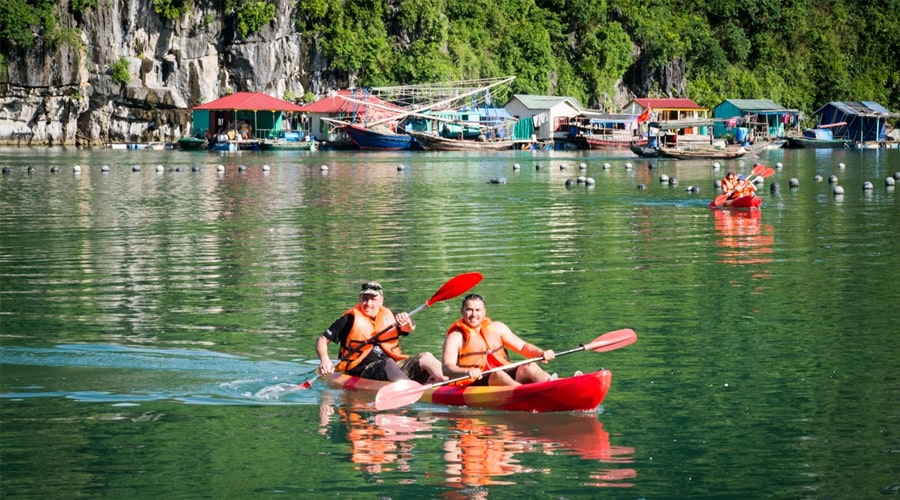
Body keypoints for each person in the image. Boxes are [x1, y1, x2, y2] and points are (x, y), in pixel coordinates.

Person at [315, 281, 447, 383]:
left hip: (394, 368)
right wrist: (325, 360)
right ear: (360, 299)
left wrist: (407, 322)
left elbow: (409, 328)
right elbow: (322, 340)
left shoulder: (390, 316)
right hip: (360, 370)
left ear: (381, 300)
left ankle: (445, 380)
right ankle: (407, 388)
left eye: (373, 299)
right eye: (365, 298)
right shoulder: (349, 320)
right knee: (387, 363)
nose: (368, 303)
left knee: (426, 356)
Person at [442, 293, 557, 386]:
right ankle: (525, 394)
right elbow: (447, 368)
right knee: (498, 375)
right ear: (462, 311)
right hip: (472, 381)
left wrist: (541, 353)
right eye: (469, 310)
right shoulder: (455, 337)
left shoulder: (497, 328)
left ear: (484, 312)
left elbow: (522, 347)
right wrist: (467, 372)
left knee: (529, 366)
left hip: (502, 374)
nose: (474, 314)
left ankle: (554, 385)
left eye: (478, 310)